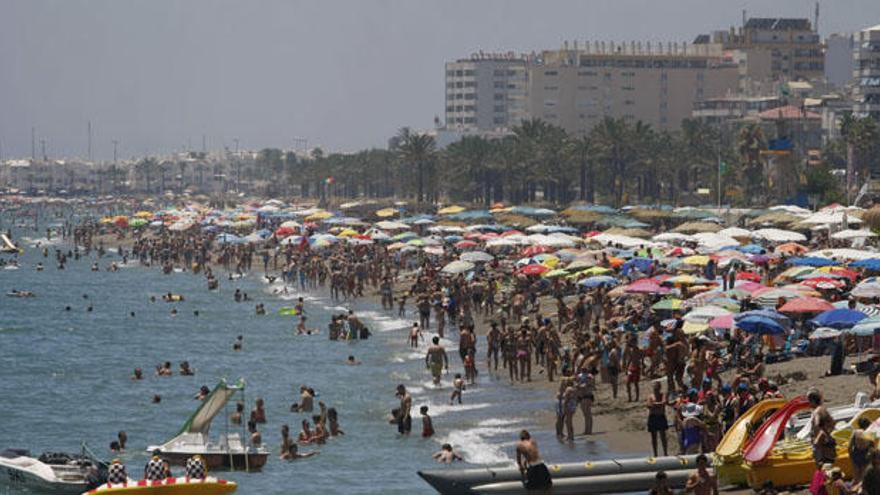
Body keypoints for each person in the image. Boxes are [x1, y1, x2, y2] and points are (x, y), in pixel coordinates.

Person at [810, 389, 836, 466]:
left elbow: (819, 424)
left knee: (822, 467)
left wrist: (817, 441)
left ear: (813, 401)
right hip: (828, 444)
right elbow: (833, 423)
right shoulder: (824, 409)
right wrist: (828, 433)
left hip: (821, 446)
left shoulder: (817, 412)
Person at [647, 381, 670, 457]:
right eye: (654, 388)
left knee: (663, 436)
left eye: (657, 388)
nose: (656, 389)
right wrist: (657, 405)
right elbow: (649, 405)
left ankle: (665, 453)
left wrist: (655, 404)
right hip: (653, 417)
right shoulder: (651, 396)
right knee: (654, 437)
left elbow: (664, 402)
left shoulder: (663, 395)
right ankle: (655, 454)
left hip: (660, 416)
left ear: (659, 388)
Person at [850, 417, 874, 484]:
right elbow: (872, 446)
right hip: (865, 454)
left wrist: (851, 455)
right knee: (864, 475)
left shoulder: (855, 432)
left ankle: (852, 488)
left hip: (856, 454)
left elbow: (850, 445)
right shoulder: (869, 432)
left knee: (856, 475)